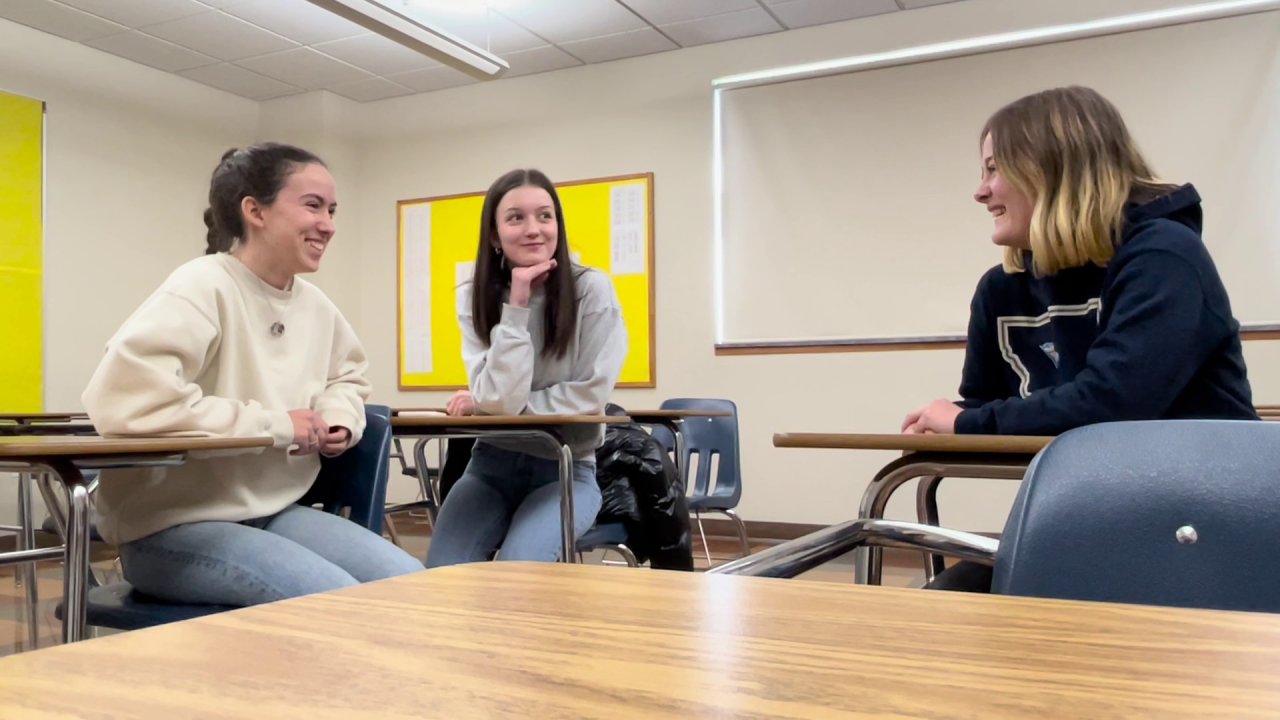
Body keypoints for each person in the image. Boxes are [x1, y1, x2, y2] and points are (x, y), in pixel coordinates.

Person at [901, 86, 1258, 591]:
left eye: (995, 169)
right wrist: (950, 424)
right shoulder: (1001, 288)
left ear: (1052, 169)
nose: (980, 192)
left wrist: (964, 421)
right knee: (934, 616)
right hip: (1088, 510)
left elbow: (1113, 407)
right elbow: (987, 406)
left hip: (1204, 519)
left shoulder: (1164, 256)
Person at [81, 143, 422, 607]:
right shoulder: (202, 285)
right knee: (336, 603)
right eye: (312, 205)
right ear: (254, 211)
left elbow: (348, 378)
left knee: (413, 584)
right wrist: (277, 425)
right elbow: (124, 402)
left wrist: (338, 417)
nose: (328, 224)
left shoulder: (316, 307)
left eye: (332, 209)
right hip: (171, 529)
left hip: (274, 513)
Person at [425, 169, 627, 567]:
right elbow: (499, 399)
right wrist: (516, 307)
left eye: (545, 216)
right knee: (437, 575)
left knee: (516, 573)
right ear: (495, 235)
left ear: (558, 225)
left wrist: (495, 409)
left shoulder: (592, 289)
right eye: (516, 218)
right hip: (489, 466)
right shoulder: (474, 294)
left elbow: (590, 393)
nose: (534, 229)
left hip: (566, 470)